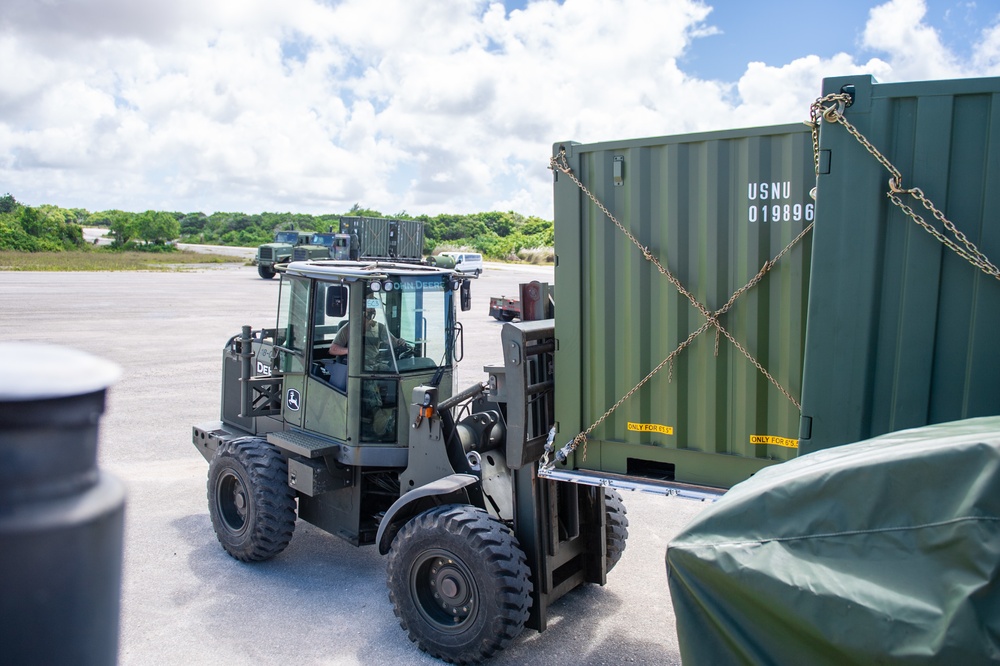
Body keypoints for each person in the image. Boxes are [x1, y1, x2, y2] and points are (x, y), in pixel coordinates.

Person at [328, 308, 410, 369]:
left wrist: (400, 342)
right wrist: (350, 350)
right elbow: (333, 349)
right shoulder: (349, 328)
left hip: (375, 363)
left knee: (389, 370)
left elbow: (393, 342)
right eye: (368, 312)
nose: (371, 315)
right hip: (356, 366)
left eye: (372, 311)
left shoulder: (379, 328)